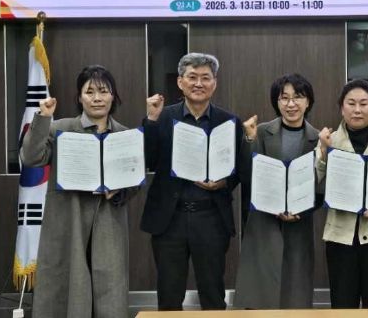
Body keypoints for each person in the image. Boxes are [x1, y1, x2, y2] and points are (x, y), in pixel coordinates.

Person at [21, 65, 132, 318]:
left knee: (110, 294)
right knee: (66, 293)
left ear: (113, 96)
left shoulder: (125, 135)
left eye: (103, 91)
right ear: (79, 97)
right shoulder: (59, 128)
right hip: (67, 222)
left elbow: (133, 182)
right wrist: (43, 117)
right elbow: (31, 158)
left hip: (108, 224)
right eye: (89, 92)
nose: (97, 98)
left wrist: (120, 190)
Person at [140, 52, 249, 311]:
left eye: (205, 78)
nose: (198, 83)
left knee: (213, 294)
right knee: (169, 295)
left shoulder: (229, 122)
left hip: (211, 218)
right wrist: (151, 121)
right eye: (192, 77)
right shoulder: (161, 117)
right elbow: (147, 160)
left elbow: (240, 170)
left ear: (214, 83)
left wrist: (223, 183)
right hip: (170, 219)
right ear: (180, 82)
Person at [233, 73, 319, 309]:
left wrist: (302, 210)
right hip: (264, 223)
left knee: (295, 295)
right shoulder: (260, 132)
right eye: (284, 98)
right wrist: (249, 140)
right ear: (276, 102)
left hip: (299, 225)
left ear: (308, 102)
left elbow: (321, 188)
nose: (291, 104)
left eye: (297, 97)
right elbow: (247, 176)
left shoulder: (318, 138)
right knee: (260, 297)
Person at [315, 79, 368, 309]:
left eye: (364, 104)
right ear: (341, 108)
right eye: (351, 103)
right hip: (340, 236)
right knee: (343, 305)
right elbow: (314, 184)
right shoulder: (329, 140)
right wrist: (323, 151)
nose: (357, 109)